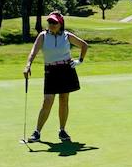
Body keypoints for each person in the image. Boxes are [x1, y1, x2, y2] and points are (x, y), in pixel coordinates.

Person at [22, 12, 88, 142]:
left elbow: (84, 45)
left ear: (60, 24)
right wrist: (28, 65)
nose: (51, 25)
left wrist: (79, 61)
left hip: (66, 70)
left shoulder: (66, 36)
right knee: (47, 101)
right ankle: (37, 132)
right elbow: (33, 51)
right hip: (51, 70)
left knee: (64, 100)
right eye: (50, 22)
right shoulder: (43, 36)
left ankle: (62, 130)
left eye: (54, 22)